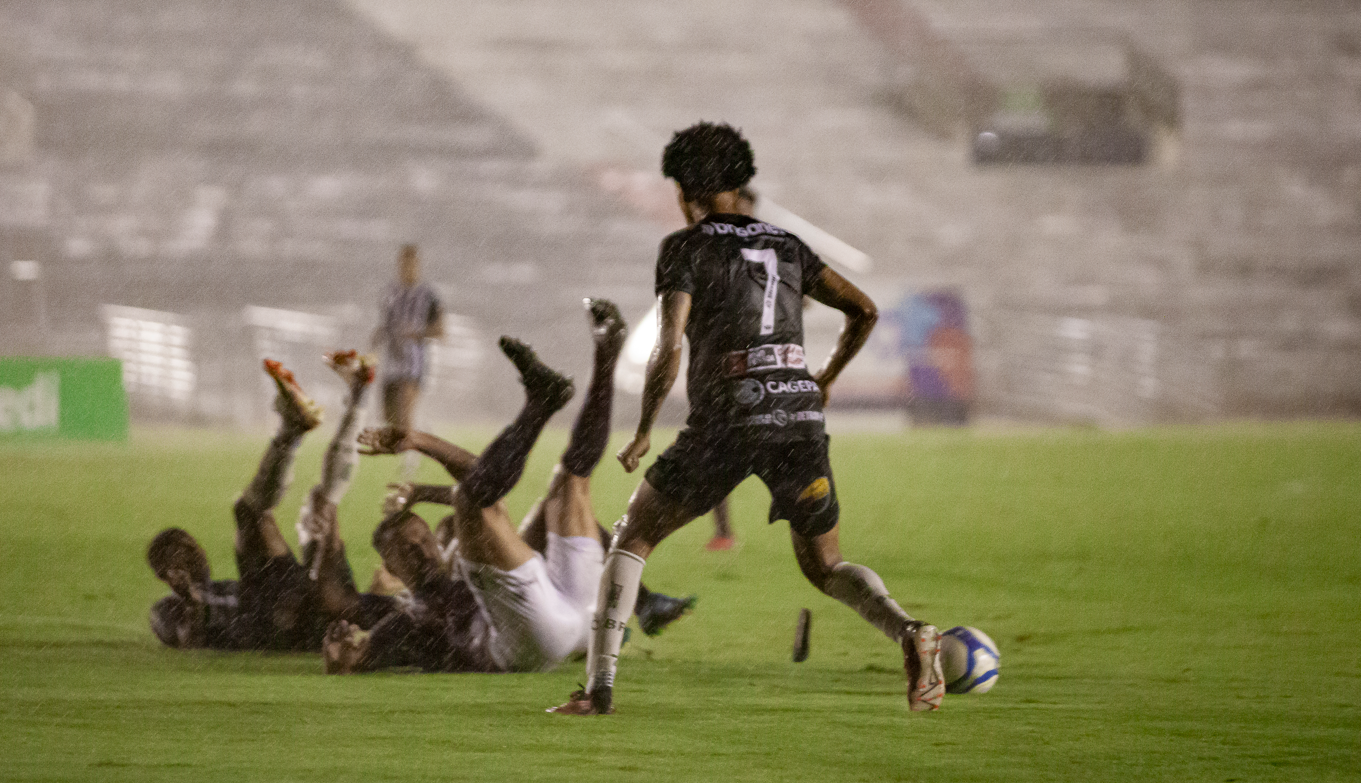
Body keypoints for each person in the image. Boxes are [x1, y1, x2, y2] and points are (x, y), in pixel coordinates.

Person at [551, 122, 945, 715]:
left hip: (729, 418)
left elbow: (671, 343)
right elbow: (862, 310)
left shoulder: (686, 247)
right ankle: (909, 632)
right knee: (826, 564)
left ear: (688, 191)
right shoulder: (788, 245)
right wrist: (827, 378)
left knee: (632, 538)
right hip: (798, 417)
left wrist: (642, 428)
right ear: (739, 181)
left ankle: (598, 691)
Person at [327, 300, 694, 674]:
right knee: (478, 503)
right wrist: (342, 656)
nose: (422, 549)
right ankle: (539, 404)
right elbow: (353, 658)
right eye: (408, 548)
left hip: (579, 619)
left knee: (569, 485)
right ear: (390, 565)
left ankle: (605, 355)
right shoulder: (405, 615)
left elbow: (480, 479)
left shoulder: (453, 562)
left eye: (422, 538)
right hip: (524, 645)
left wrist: (420, 443)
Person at [145, 352, 396, 651]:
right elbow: (187, 638)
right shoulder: (170, 609)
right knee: (279, 513)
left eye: (190, 547)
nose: (192, 557)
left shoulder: (229, 589)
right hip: (287, 621)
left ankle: (351, 398)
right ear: (164, 575)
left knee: (309, 508)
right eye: (178, 558)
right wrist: (190, 601)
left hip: (309, 613)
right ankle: (320, 415)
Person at [372, 243, 444, 434]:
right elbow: (386, 323)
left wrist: (418, 333)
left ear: (418, 265)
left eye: (411, 264)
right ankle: (423, 435)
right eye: (403, 264)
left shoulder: (429, 296)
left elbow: (441, 331)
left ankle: (411, 455)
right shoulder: (390, 293)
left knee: (405, 412)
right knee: (389, 417)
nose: (406, 269)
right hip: (392, 361)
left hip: (415, 363)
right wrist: (379, 335)